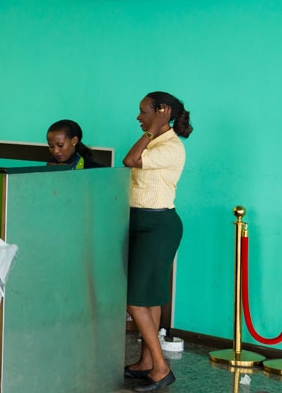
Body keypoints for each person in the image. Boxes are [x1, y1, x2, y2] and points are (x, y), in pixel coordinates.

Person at [122, 91, 192, 392]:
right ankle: (146, 362)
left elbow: (130, 160)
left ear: (162, 113)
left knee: (136, 299)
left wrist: (154, 129)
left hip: (157, 226)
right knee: (149, 296)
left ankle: (161, 368)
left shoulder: (171, 147)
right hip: (141, 222)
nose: (139, 118)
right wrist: (152, 131)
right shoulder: (156, 142)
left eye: (144, 112)